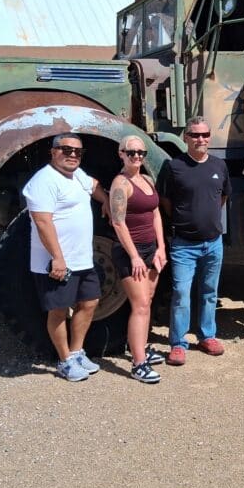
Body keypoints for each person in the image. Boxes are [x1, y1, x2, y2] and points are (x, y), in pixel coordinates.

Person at [23, 134, 109, 382]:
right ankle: (65, 361)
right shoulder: (44, 180)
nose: (72, 155)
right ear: (53, 152)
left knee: (90, 302)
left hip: (83, 259)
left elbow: (92, 184)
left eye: (77, 152)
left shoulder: (77, 175)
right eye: (66, 150)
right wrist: (57, 258)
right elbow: (42, 221)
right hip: (58, 262)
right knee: (59, 311)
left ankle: (77, 351)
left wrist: (104, 200)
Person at [158, 116, 230, 366]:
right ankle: (178, 343)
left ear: (210, 137)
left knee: (210, 292)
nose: (201, 139)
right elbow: (165, 201)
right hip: (183, 244)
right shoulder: (174, 166)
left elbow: (222, 197)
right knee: (181, 293)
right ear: (185, 137)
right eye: (195, 135)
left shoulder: (219, 166)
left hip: (213, 242)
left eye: (205, 134)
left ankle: (207, 336)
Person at [110, 134, 167, 383]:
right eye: (131, 152)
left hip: (150, 250)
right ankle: (138, 363)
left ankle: (140, 347)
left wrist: (160, 248)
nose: (136, 157)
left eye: (141, 153)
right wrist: (134, 256)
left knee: (148, 300)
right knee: (141, 305)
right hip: (130, 252)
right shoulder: (120, 184)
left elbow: (155, 214)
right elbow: (117, 221)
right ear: (121, 154)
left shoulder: (145, 179)